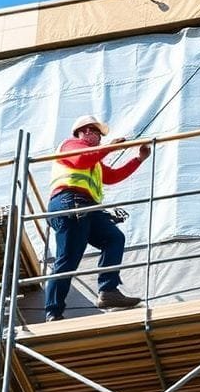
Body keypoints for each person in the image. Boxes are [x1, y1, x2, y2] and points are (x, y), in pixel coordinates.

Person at [45, 115, 151, 322]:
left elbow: (111, 176)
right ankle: (53, 311)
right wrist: (110, 148)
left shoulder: (94, 161)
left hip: (85, 206)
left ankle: (108, 290)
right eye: (96, 133)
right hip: (69, 202)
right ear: (84, 131)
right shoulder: (71, 145)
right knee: (68, 259)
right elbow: (79, 159)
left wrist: (138, 159)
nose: (99, 138)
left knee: (113, 238)